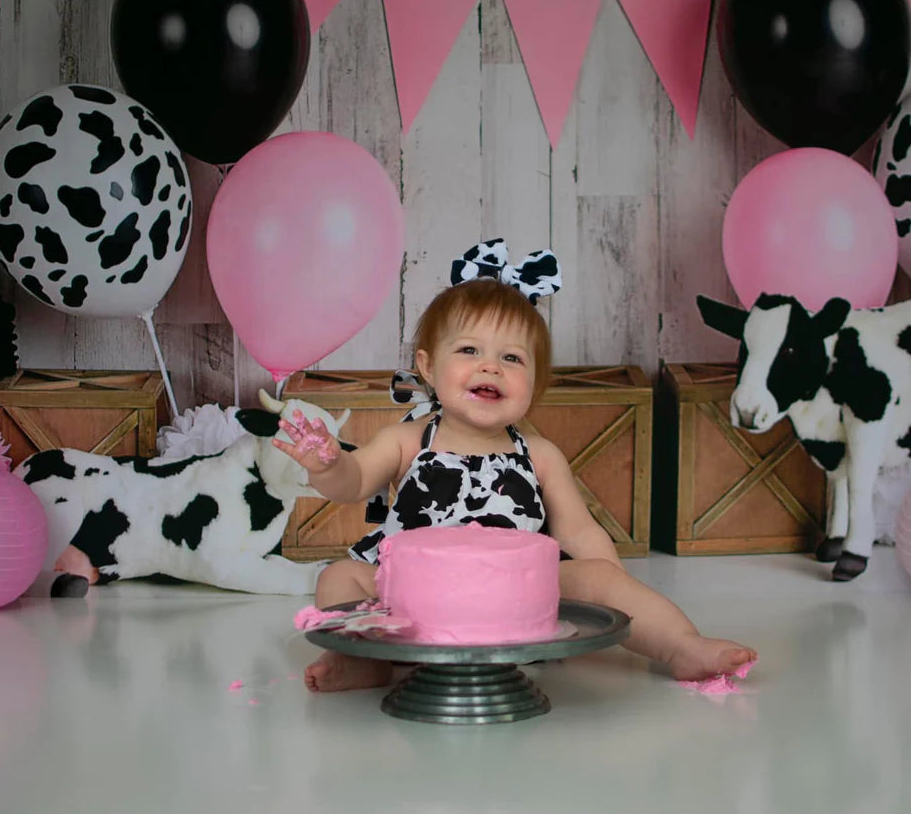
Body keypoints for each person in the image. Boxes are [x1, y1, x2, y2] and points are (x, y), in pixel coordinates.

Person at [275, 241, 757, 692]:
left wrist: (608, 592)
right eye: (469, 350)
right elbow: (353, 481)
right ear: (427, 365)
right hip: (414, 596)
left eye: (511, 357)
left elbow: (580, 533)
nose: (490, 367)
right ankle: (364, 661)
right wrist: (329, 463)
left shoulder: (539, 454)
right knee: (340, 576)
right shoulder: (408, 440)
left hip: (514, 599)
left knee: (599, 577)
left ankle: (681, 644)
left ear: (535, 380)